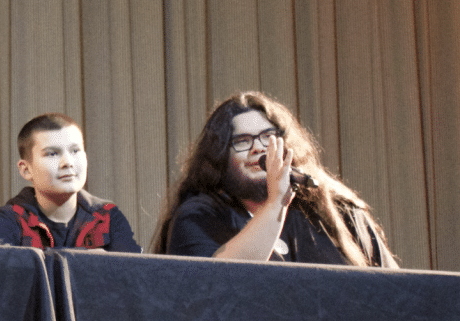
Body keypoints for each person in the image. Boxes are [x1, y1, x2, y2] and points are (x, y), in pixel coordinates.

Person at [152, 91, 397, 267]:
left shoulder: (337, 212)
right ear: (220, 157)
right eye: (242, 141)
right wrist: (276, 202)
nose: (258, 148)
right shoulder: (198, 216)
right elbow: (219, 282)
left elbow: (395, 293)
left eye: (268, 137)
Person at [0, 113, 141, 252]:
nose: (67, 163)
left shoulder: (107, 216)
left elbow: (137, 272)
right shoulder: (8, 219)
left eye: (75, 151)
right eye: (52, 154)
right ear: (26, 170)